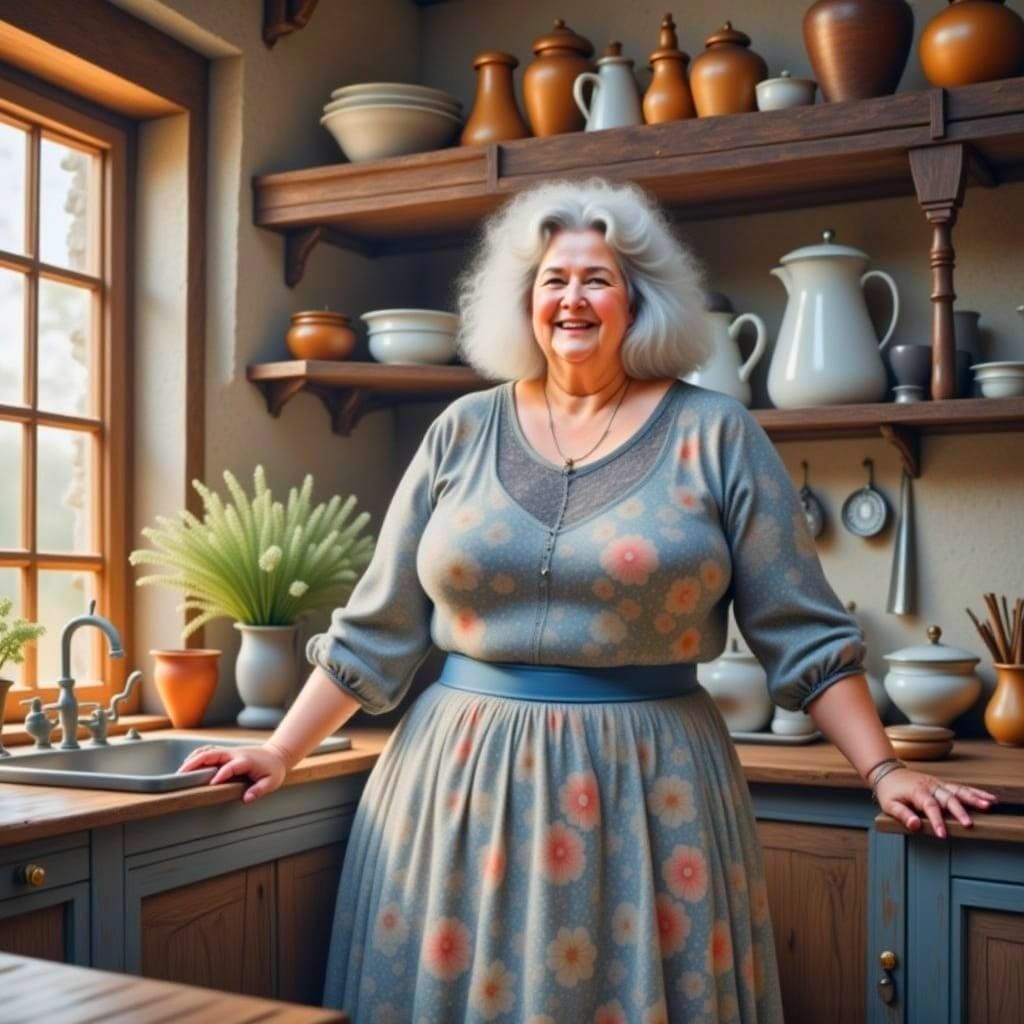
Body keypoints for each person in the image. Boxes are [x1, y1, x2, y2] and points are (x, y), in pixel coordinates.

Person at [180, 178, 998, 1023]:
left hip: (649, 788)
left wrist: (885, 768)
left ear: (639, 301)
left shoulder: (716, 432)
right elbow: (377, 629)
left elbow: (804, 632)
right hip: (457, 786)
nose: (573, 298)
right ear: (524, 302)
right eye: (553, 280)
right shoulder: (461, 428)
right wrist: (280, 751)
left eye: (598, 278)